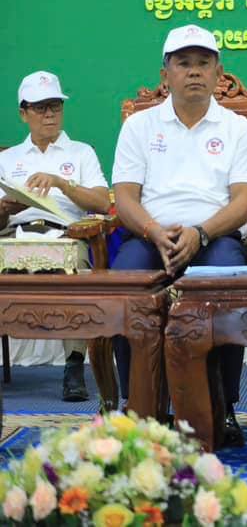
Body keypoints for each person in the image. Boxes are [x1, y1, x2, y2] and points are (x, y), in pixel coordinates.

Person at [111, 24, 247, 447]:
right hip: (150, 237)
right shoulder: (139, 126)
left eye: (203, 63)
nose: (194, 72)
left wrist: (201, 233)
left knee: (225, 285)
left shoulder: (238, 128)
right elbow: (124, 198)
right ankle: (138, 406)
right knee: (126, 284)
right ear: (166, 75)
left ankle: (223, 407)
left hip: (216, 238)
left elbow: (244, 202)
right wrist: (154, 231)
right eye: (183, 63)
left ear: (218, 73)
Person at [0, 71, 110, 402]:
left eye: (55, 106)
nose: (49, 114)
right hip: (14, 234)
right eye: (40, 107)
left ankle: (73, 366)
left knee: (77, 270)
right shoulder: (7, 159)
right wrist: (7, 207)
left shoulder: (81, 153)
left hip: (65, 235)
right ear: (24, 113)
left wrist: (62, 183)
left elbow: (101, 202)